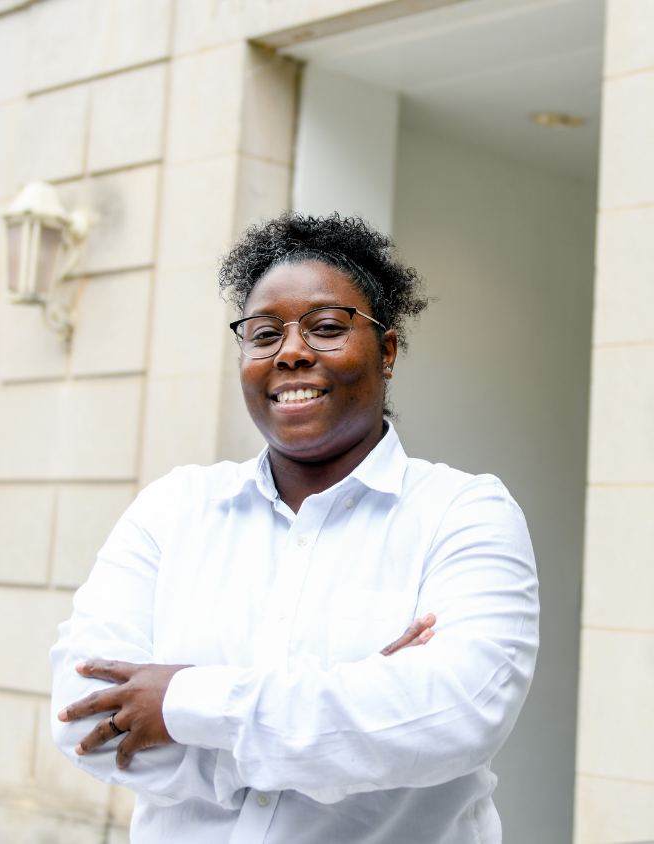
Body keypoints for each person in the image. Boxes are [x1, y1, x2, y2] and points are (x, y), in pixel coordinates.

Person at [49, 212, 541, 844]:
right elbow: (81, 720)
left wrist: (179, 704)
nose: (291, 352)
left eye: (327, 328)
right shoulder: (172, 512)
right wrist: (352, 721)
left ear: (386, 351)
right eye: (262, 335)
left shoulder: (465, 514)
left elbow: (453, 717)